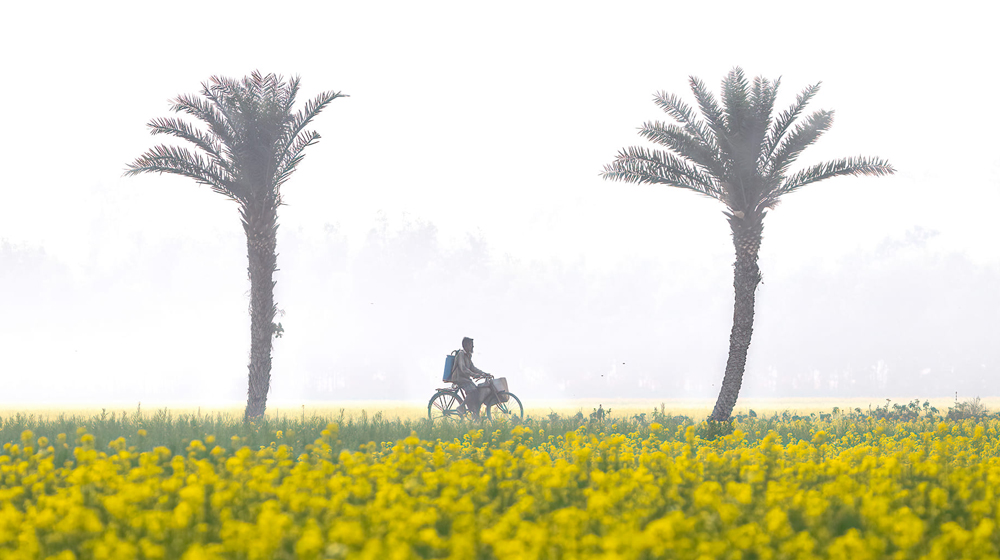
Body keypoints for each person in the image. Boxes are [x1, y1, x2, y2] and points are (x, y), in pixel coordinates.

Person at [452, 336, 490, 418]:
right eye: (471, 344)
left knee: (476, 392)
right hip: (459, 378)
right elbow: (463, 368)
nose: (473, 346)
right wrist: (473, 375)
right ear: (466, 345)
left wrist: (484, 373)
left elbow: (473, 367)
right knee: (472, 391)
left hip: (465, 379)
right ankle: (461, 407)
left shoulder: (468, 355)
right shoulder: (461, 354)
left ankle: (474, 412)